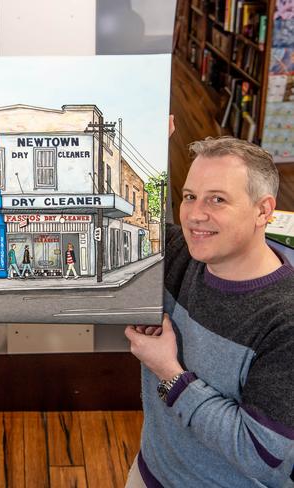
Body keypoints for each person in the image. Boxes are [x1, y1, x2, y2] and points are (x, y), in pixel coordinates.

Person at [124, 136, 294, 487]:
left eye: (217, 199)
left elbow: (264, 455)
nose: (195, 215)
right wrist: (152, 131)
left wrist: (169, 373)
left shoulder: (285, 320)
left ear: (263, 210)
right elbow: (138, 211)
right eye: (189, 196)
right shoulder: (179, 253)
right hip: (149, 472)